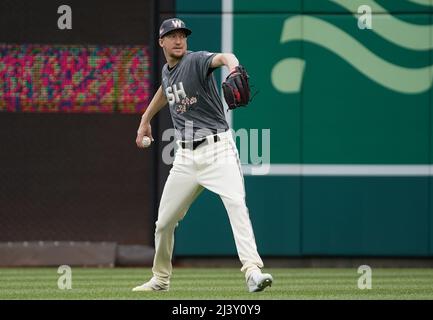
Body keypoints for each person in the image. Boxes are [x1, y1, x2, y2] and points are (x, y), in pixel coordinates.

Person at [132, 18, 273, 293]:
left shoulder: (195, 60)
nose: (178, 39)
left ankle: (252, 271)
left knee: (236, 206)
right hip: (184, 157)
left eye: (182, 35)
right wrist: (145, 118)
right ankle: (160, 279)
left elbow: (223, 57)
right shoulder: (167, 71)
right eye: (172, 35)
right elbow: (165, 90)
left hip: (217, 149)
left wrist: (233, 68)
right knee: (164, 223)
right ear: (161, 41)